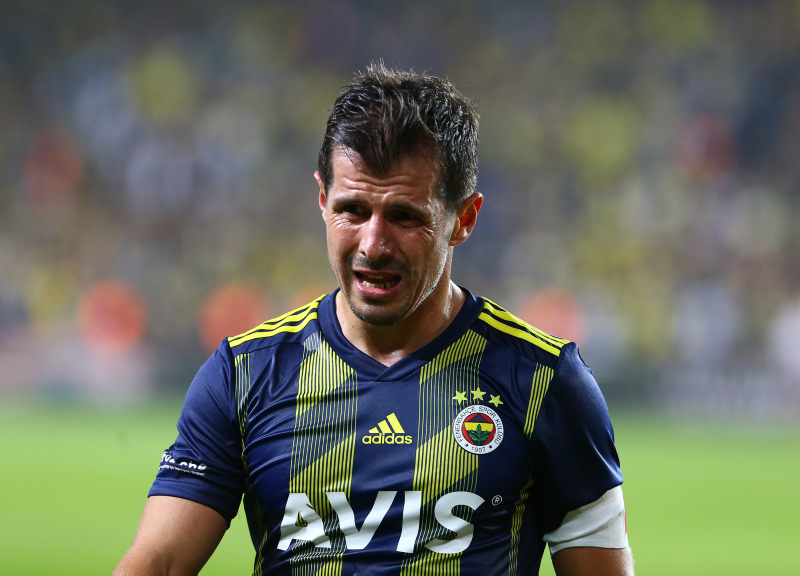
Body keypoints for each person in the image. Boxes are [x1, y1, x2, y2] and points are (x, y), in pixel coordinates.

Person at [114, 63, 633, 575]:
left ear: (464, 219)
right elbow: (158, 562)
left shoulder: (545, 381)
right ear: (322, 199)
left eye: (405, 216)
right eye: (353, 210)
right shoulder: (245, 373)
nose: (373, 244)